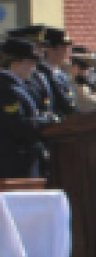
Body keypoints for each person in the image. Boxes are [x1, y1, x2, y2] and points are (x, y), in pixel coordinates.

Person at [1, 37, 56, 179]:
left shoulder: (17, 87)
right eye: (31, 63)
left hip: (24, 162)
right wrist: (47, 121)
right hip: (14, 164)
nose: (33, 68)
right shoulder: (6, 89)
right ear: (18, 62)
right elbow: (18, 125)